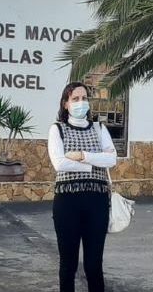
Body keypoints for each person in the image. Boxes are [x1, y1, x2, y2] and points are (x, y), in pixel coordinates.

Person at [48, 81, 118, 292]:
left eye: (84, 98)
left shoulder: (99, 128)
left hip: (96, 203)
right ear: (66, 104)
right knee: (67, 264)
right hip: (67, 203)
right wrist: (92, 165)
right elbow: (59, 163)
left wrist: (82, 156)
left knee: (94, 264)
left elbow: (112, 159)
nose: (81, 102)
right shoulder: (57, 129)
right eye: (75, 99)